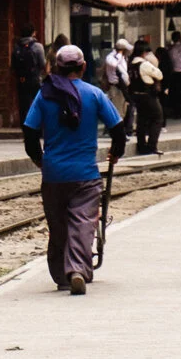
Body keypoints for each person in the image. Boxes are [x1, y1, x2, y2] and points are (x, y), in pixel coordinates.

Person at [21, 45, 126, 296]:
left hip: (54, 173)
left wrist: (39, 159)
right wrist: (116, 152)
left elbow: (30, 131)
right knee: (82, 222)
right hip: (86, 174)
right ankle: (77, 268)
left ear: (56, 67)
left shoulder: (44, 95)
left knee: (58, 226)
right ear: (83, 67)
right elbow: (118, 129)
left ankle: (61, 276)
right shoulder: (95, 94)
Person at [128, 40, 164, 155]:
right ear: (144, 52)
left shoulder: (131, 64)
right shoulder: (144, 64)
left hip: (136, 95)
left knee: (141, 121)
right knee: (157, 118)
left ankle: (141, 146)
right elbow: (159, 74)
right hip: (148, 94)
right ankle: (152, 145)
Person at [10, 26, 47, 126]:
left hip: (21, 80)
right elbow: (42, 63)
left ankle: (25, 127)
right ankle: (38, 127)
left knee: (24, 106)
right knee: (38, 103)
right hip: (35, 79)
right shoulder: (37, 46)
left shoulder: (16, 47)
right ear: (33, 33)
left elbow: (13, 65)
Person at [100, 39, 133, 123]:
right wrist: (119, 55)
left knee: (123, 108)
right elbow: (114, 64)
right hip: (116, 86)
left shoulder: (123, 58)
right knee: (117, 110)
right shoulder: (111, 57)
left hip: (123, 86)